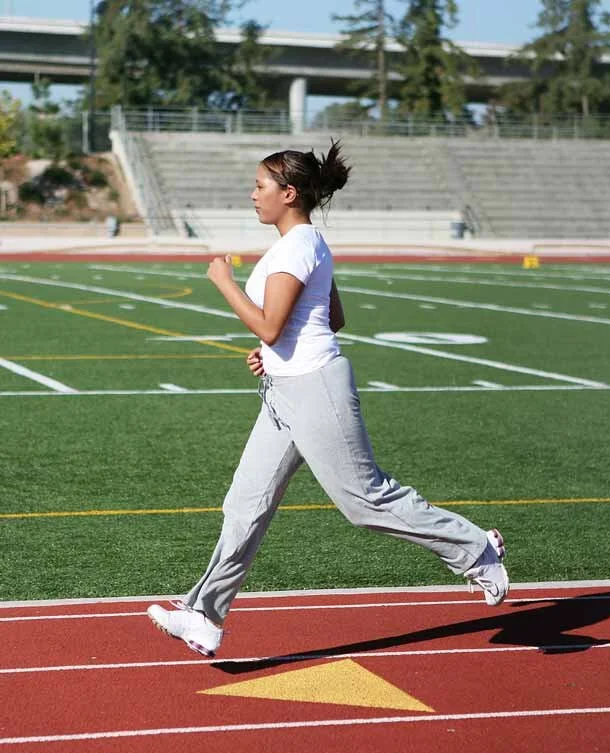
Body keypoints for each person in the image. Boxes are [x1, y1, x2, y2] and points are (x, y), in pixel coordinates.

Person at [147, 141, 509, 657]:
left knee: (364, 501)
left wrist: (225, 285)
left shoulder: (297, 247)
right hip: (284, 391)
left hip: (316, 388)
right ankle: (204, 615)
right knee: (245, 504)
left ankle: (477, 548)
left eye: (260, 186)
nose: (253, 195)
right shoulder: (300, 245)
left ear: (288, 193)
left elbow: (272, 326)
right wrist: (270, 357)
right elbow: (327, 319)